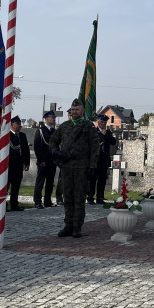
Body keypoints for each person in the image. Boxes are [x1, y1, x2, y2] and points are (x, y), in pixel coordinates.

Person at [49, 98, 101, 238]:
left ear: (82, 111)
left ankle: (77, 226)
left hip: (81, 167)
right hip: (66, 166)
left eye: (76, 110)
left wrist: (92, 166)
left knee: (79, 197)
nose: (74, 112)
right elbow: (53, 141)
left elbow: (95, 148)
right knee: (67, 196)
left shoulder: (88, 126)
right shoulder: (65, 126)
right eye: (72, 110)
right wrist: (56, 152)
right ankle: (68, 224)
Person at [89, 114, 117, 205]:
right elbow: (93, 142)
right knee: (93, 180)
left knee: (102, 180)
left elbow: (113, 142)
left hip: (104, 160)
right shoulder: (94, 131)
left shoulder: (108, 132)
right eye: (102, 122)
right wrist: (101, 135)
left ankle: (100, 197)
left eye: (105, 122)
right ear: (98, 122)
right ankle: (90, 197)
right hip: (95, 159)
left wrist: (108, 135)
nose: (103, 124)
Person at [4, 117, 31, 212]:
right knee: (6, 186)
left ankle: (14, 204)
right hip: (9, 165)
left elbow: (25, 150)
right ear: (12, 125)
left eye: (20, 124)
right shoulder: (6, 135)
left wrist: (27, 163)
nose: (20, 126)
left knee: (16, 186)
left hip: (19, 165)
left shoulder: (22, 135)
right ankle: (3, 205)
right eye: (17, 124)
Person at [33, 110, 57, 209]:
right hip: (43, 161)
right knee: (40, 182)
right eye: (52, 118)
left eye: (54, 118)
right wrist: (41, 160)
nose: (54, 119)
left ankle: (48, 200)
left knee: (50, 182)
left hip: (52, 161)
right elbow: (37, 147)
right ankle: (37, 201)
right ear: (47, 119)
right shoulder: (40, 131)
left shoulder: (54, 131)